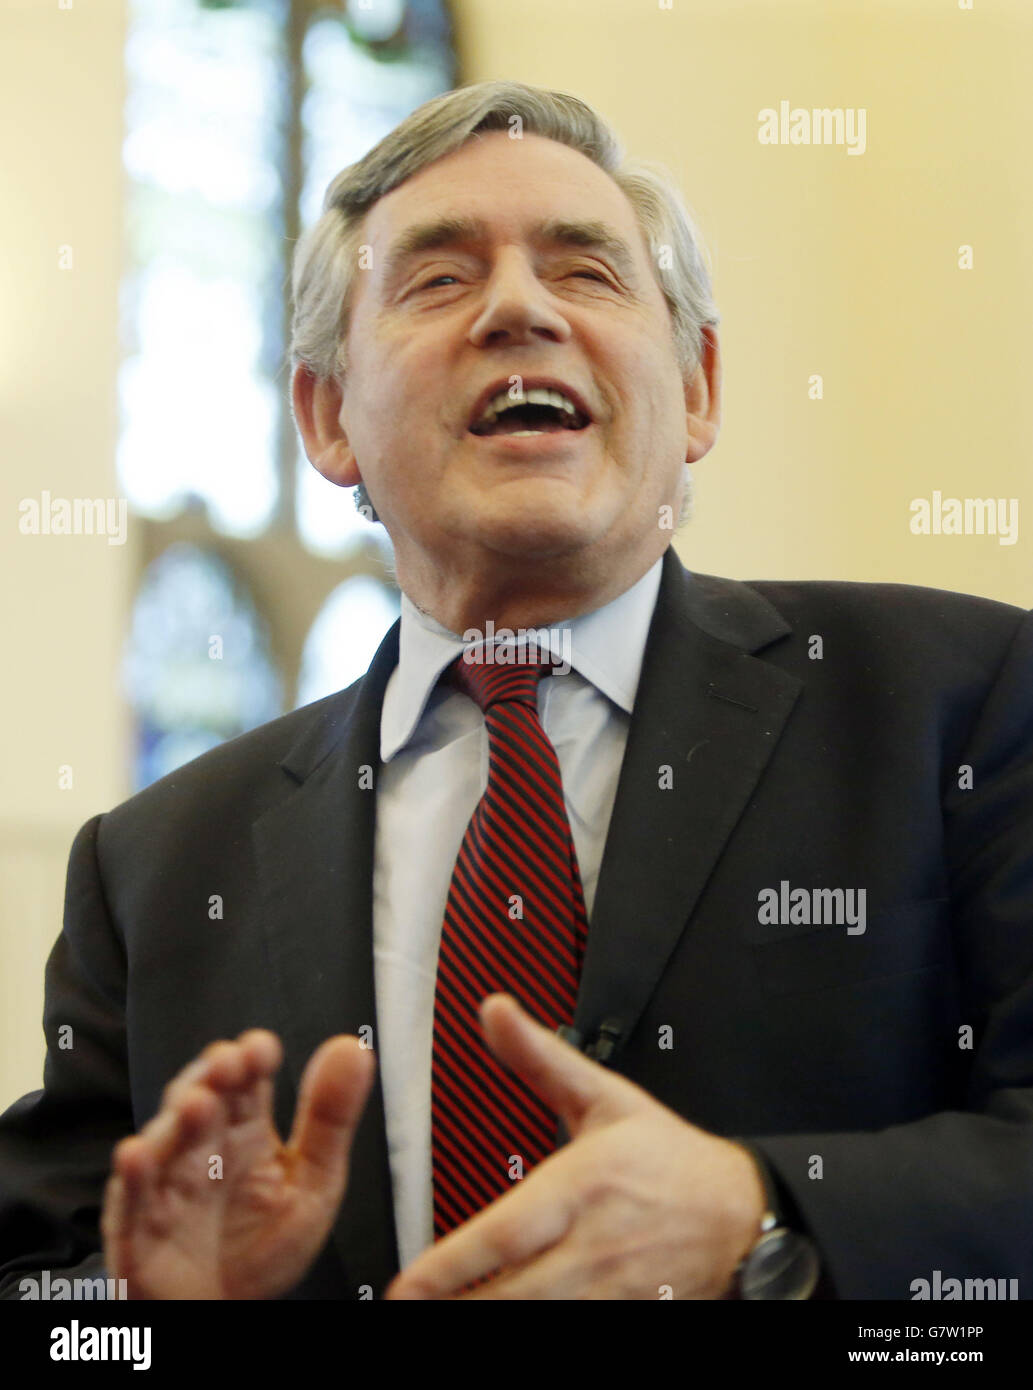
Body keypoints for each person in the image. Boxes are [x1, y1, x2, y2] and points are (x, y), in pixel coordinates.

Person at [1, 80, 1031, 1302]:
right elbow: (49, 1279)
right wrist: (151, 1319)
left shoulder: (961, 707)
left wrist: (766, 1221)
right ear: (327, 416)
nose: (517, 309)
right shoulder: (156, 864)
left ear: (697, 387)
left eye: (586, 272)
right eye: (437, 279)